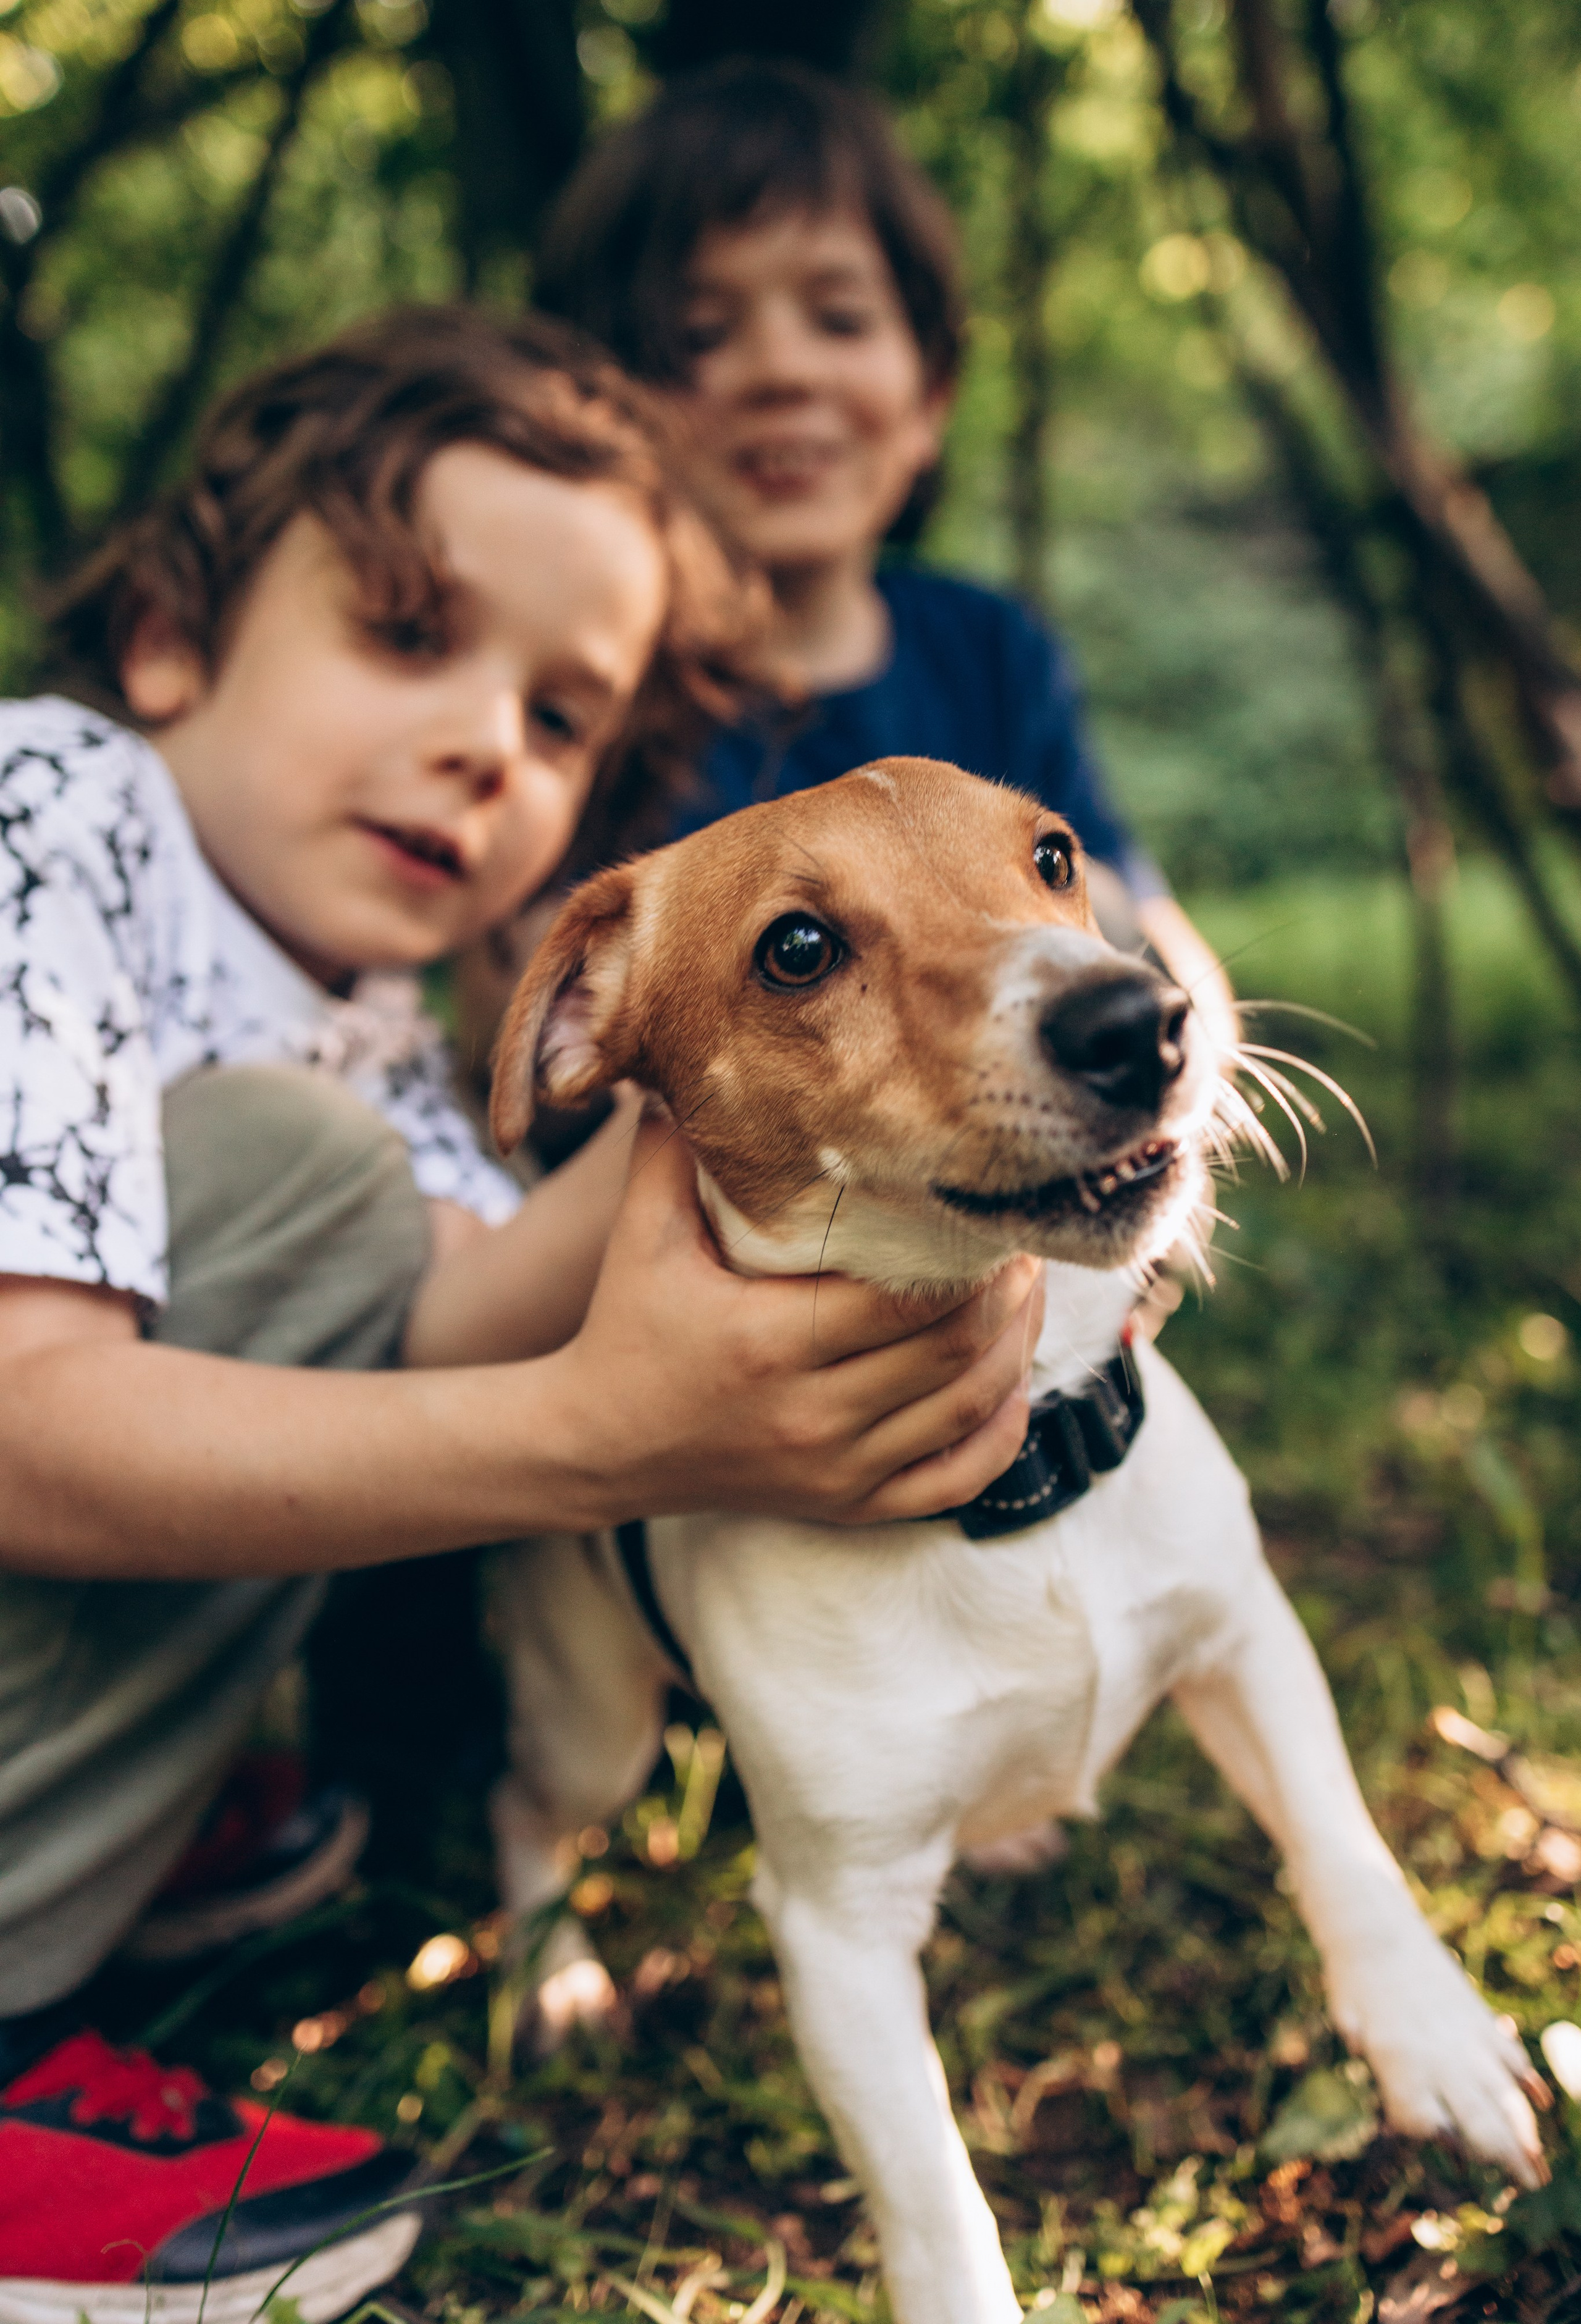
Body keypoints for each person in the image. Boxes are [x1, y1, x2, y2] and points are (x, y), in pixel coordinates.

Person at [0, 305, 1045, 2320]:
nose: (493, 742)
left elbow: (447, 1334)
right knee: (296, 1175)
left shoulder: (379, 1032)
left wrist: (734, 1042)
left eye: (563, 720)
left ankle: (112, 1831)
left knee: (335, 1192)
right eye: (410, 635)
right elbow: (24, 1428)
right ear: (170, 639)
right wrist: (605, 1438)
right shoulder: (50, 817)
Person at [529, 57, 1236, 1052]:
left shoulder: (990, 650)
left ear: (931, 396)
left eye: (841, 318)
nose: (781, 370)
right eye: (699, 334)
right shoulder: (587, 695)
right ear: (601, 413)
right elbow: (524, 1027)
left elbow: (1149, 941)